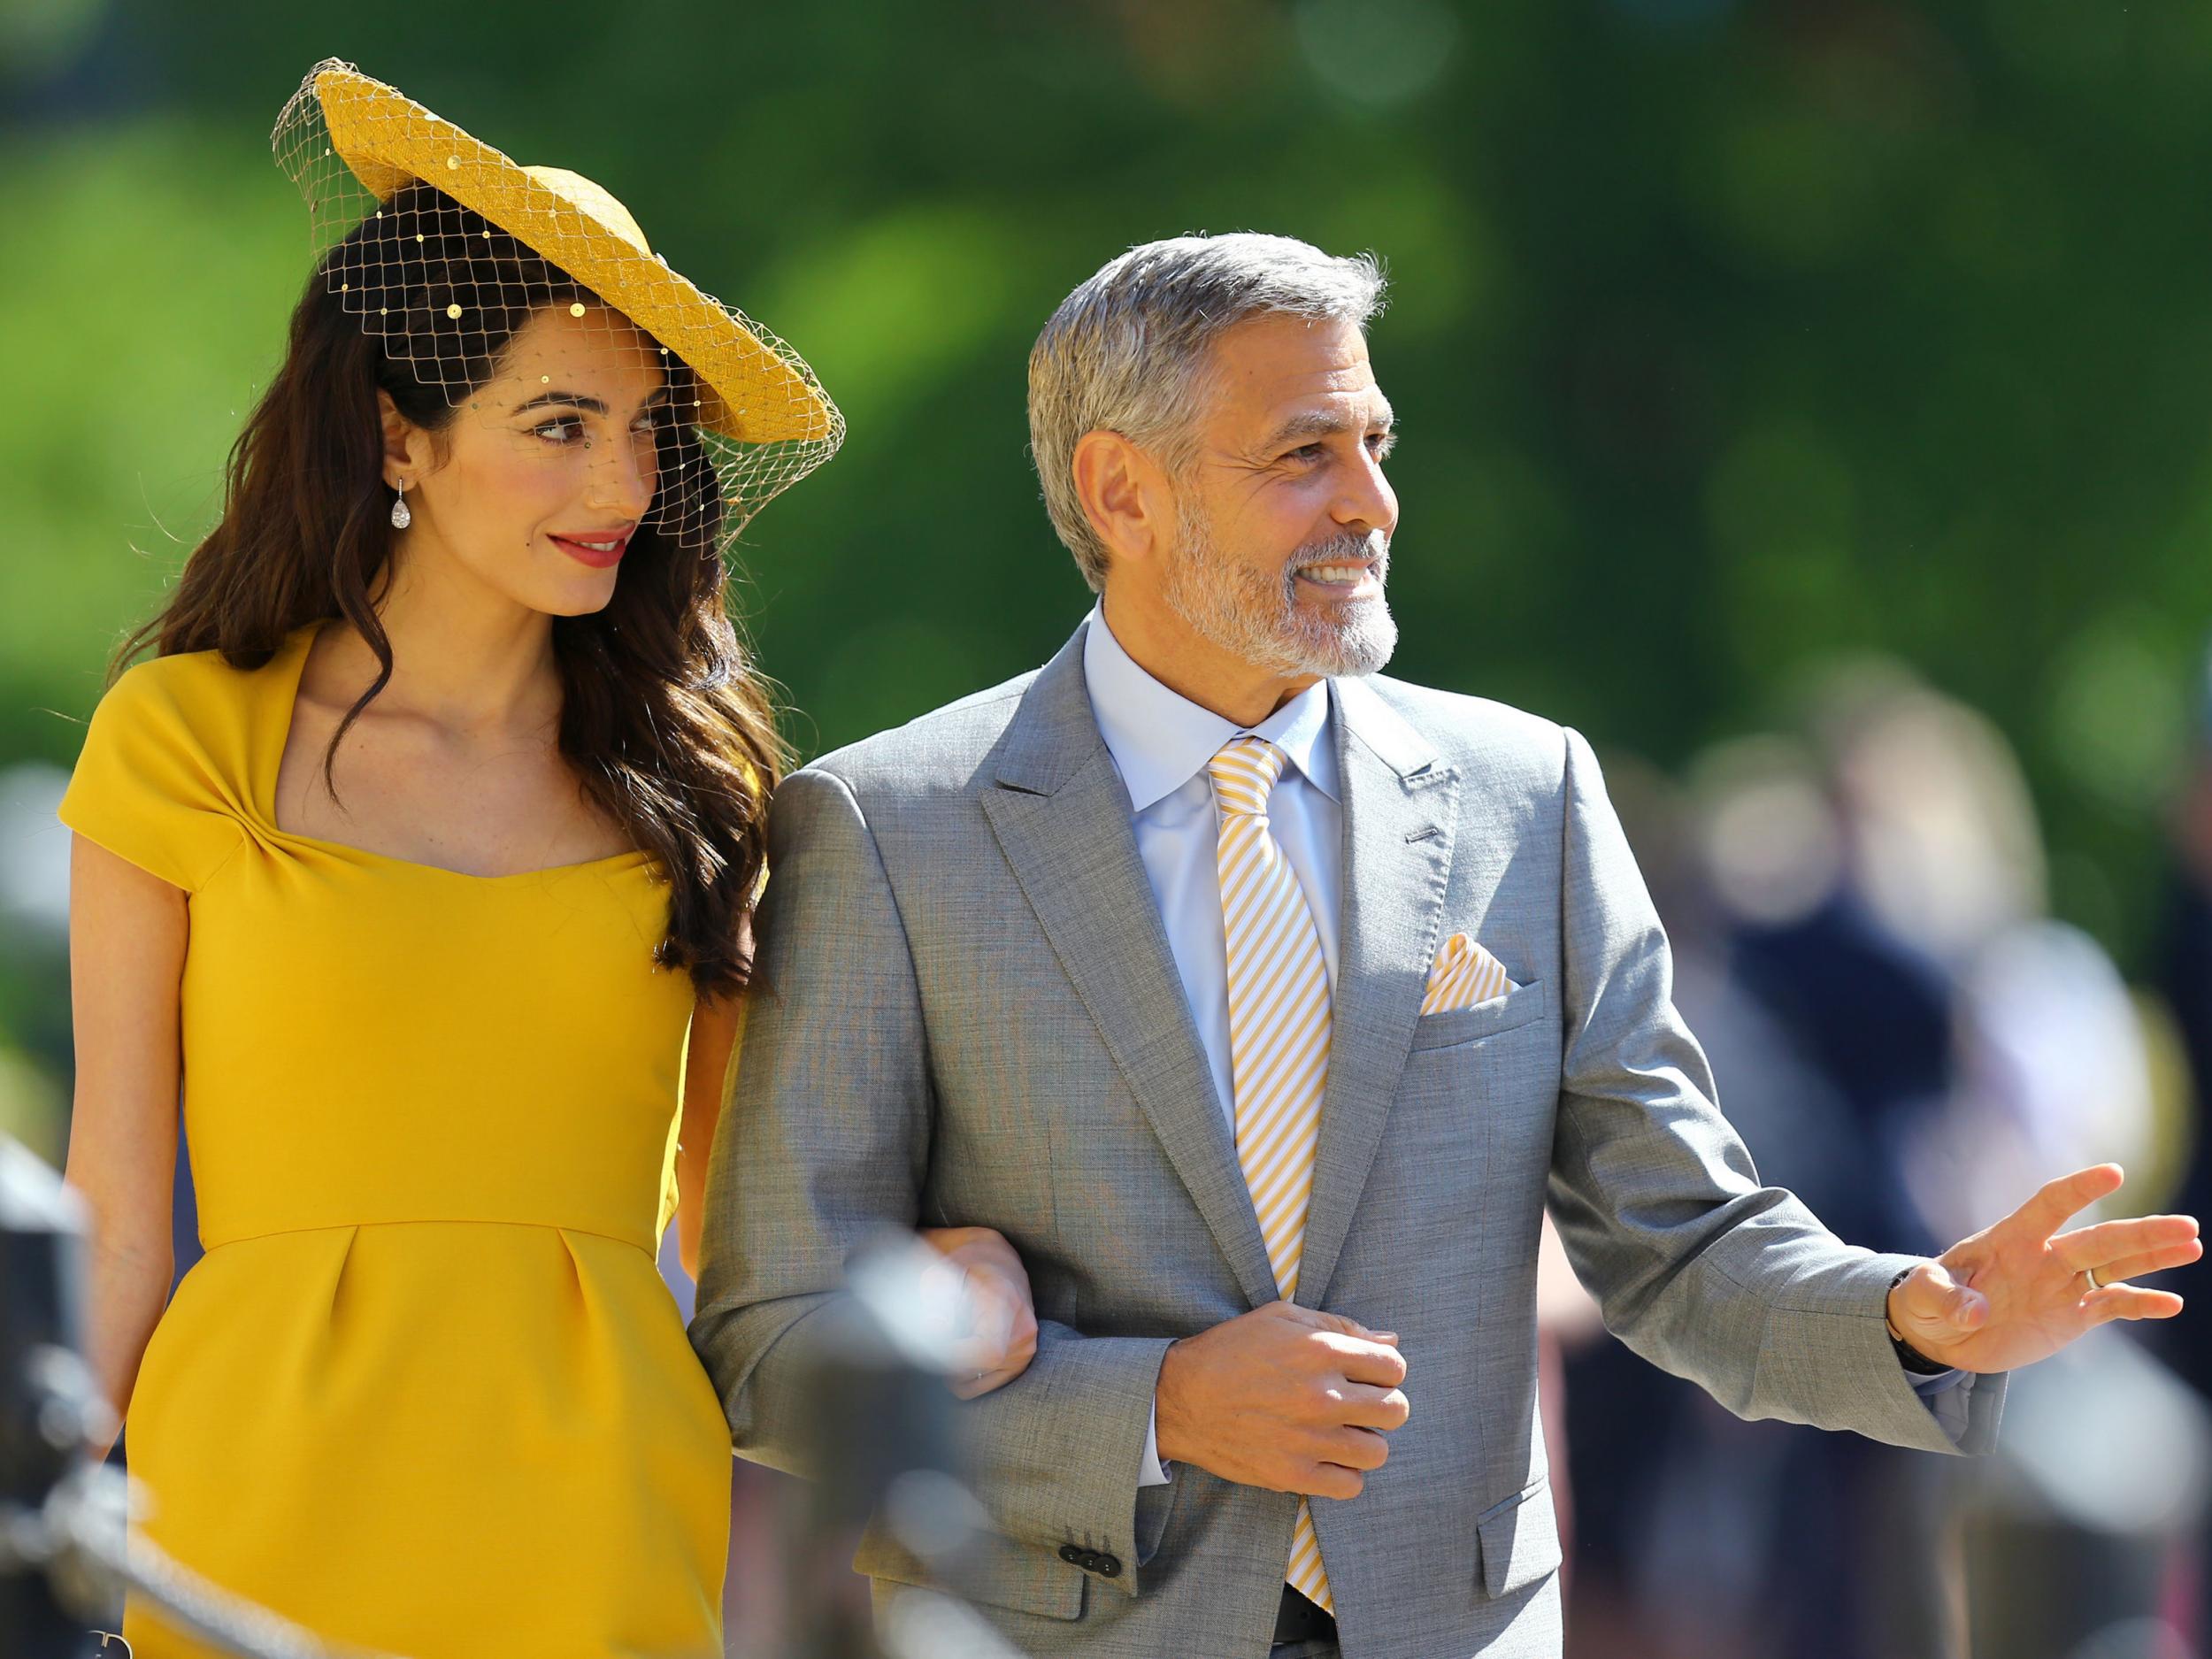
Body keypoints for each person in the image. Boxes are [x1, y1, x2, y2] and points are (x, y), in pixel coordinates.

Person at [689, 233, 2203, 1659]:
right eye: (1304, 453)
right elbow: (776, 1344)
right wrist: (1158, 1409)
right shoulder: (891, 831)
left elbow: (1677, 1241)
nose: (1372, 501)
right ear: (1122, 492)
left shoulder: (1526, 796)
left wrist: (1907, 1313)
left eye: (1376, 443)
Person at [58, 61, 1034, 1659]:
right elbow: (113, 1210)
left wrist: (957, 1301)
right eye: (559, 426)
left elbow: (751, 1230)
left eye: (643, 432)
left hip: (602, 1517)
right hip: (243, 1506)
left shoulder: (702, 792)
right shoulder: (185, 741)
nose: (621, 486)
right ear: (401, 436)